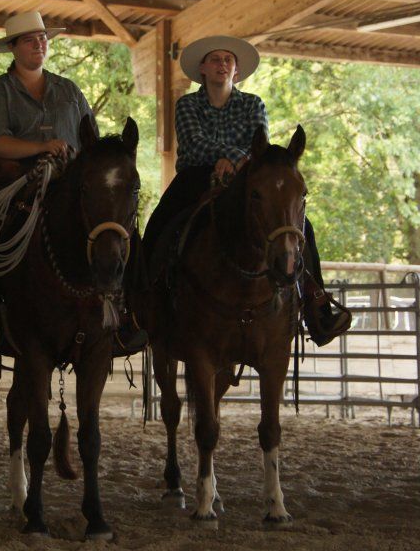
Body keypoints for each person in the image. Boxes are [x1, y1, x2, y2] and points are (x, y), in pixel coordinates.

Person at [0, 11, 149, 356]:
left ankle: (127, 312)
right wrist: (42, 147)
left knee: (118, 223)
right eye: (29, 40)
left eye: (42, 39)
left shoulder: (68, 90)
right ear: (13, 48)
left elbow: (91, 139)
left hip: (67, 177)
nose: (38, 44)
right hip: (13, 174)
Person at [141, 35, 350, 346]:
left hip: (245, 179)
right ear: (203, 67)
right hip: (197, 176)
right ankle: (142, 298)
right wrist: (229, 156)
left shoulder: (254, 104)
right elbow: (194, 145)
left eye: (228, 60)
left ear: (236, 70)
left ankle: (314, 300)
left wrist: (235, 160)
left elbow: (260, 146)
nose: (222, 64)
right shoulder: (188, 104)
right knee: (161, 221)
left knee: (299, 225)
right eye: (215, 59)